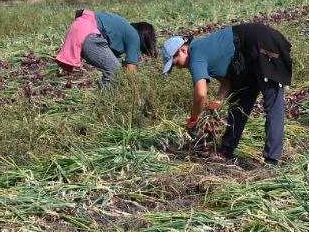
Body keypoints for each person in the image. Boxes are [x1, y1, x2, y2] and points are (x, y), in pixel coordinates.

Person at [161, 22, 292, 166]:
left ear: (182, 50)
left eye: (175, 63)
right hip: (244, 58)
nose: (178, 67)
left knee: (272, 103)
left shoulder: (196, 53)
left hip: (261, 43)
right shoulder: (203, 53)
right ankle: (226, 151)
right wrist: (216, 104)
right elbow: (227, 82)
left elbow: (201, 93)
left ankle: (271, 160)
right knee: (239, 101)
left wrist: (194, 119)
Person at [55, 9, 155, 87]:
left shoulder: (123, 30)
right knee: (115, 71)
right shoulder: (134, 36)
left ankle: (103, 99)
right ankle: (103, 103)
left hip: (80, 28)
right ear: (145, 38)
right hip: (89, 32)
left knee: (117, 66)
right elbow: (131, 73)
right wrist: (136, 96)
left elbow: (117, 60)